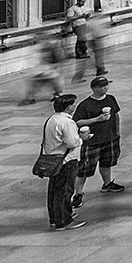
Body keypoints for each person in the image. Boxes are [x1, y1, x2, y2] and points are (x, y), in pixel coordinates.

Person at [72, 76, 124, 203]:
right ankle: (78, 193)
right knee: (84, 169)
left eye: (106, 85)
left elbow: (116, 115)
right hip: (92, 141)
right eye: (102, 86)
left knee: (107, 163)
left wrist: (117, 132)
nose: (105, 87)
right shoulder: (85, 104)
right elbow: (77, 122)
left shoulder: (111, 99)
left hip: (110, 137)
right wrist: (96, 119)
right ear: (94, 88)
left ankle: (107, 184)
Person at [40, 92, 86, 231]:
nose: (75, 106)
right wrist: (82, 138)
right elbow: (72, 143)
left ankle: (55, 217)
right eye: (73, 104)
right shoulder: (67, 122)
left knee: (54, 190)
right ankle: (64, 220)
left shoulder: (52, 119)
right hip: (66, 160)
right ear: (68, 107)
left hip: (53, 160)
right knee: (65, 191)